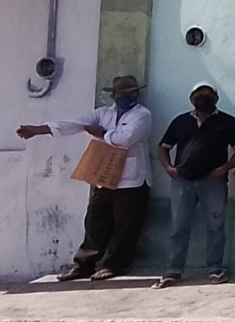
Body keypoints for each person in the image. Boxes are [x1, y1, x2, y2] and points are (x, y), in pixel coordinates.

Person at [16, 75, 154, 281]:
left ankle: (114, 265)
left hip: (131, 180)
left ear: (136, 94)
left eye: (129, 94)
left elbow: (126, 139)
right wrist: (41, 130)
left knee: (125, 226)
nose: (124, 97)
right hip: (105, 176)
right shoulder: (104, 113)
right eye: (120, 94)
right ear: (114, 95)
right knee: (95, 221)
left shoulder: (142, 115)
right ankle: (84, 265)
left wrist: (102, 134)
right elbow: (75, 124)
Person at [153, 83, 235, 288]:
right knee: (179, 226)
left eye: (207, 95)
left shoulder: (227, 122)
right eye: (198, 95)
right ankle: (174, 270)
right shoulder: (180, 121)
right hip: (183, 181)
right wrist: (169, 168)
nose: (202, 98)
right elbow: (163, 147)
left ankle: (215, 268)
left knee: (215, 226)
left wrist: (224, 169)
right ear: (191, 98)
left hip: (212, 182)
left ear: (216, 98)